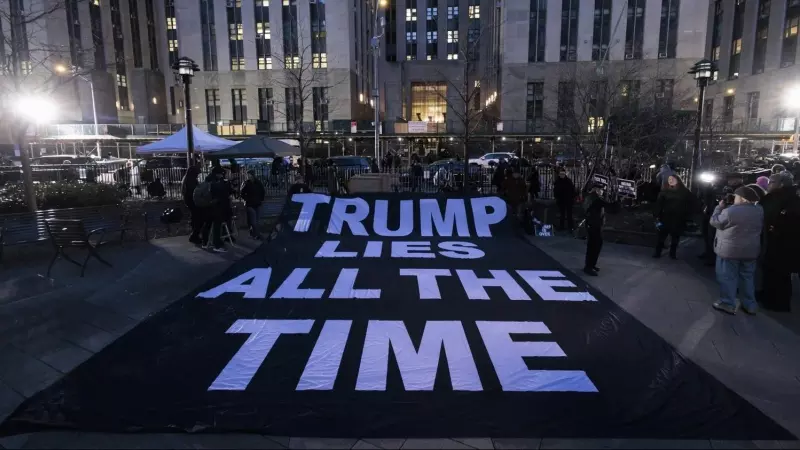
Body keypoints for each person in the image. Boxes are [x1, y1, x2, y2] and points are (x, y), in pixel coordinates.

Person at [709, 184, 764, 315]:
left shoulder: (730, 211)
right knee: (747, 278)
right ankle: (750, 304)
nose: (734, 199)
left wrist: (718, 208)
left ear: (743, 198)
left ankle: (728, 303)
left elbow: (715, 222)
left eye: (736, 197)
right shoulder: (759, 210)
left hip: (730, 251)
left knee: (727, 277)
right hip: (750, 251)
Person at [758, 171, 800, 312]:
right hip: (786, 241)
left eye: (772, 182)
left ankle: (776, 302)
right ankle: (772, 297)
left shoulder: (778, 197)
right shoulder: (792, 196)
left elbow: (765, 214)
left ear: (781, 184)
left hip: (779, 240)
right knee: (779, 272)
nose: (769, 184)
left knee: (776, 271)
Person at [653, 175, 692, 259]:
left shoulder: (684, 192)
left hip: (678, 217)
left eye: (672, 179)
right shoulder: (664, 191)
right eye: (669, 179)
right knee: (661, 236)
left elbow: (689, 204)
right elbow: (659, 204)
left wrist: (686, 215)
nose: (670, 180)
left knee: (675, 237)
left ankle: (672, 253)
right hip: (665, 217)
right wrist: (657, 215)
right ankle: (657, 252)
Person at [582, 183, 610, 276]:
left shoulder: (590, 197)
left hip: (593, 224)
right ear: (596, 190)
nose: (602, 191)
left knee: (594, 245)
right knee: (594, 246)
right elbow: (610, 207)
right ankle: (589, 266)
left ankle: (590, 265)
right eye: (601, 189)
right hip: (594, 225)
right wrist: (619, 200)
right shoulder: (596, 199)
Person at [203, 167, 230, 253]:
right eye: (221, 174)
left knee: (208, 225)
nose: (222, 175)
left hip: (208, 206)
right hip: (215, 207)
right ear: (217, 174)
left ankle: (205, 242)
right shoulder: (215, 182)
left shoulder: (207, 180)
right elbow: (222, 193)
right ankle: (216, 245)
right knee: (217, 226)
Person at [241, 170, 266, 239]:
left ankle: (254, 234)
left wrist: (261, 199)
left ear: (252, 175)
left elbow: (262, 191)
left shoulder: (258, 183)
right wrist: (246, 199)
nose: (248, 176)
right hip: (250, 204)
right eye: (247, 175)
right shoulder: (246, 183)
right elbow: (242, 193)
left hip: (257, 203)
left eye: (249, 175)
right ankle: (257, 234)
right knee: (254, 221)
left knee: (256, 221)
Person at [181, 166, 202, 245]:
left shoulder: (187, 178)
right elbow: (194, 191)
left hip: (189, 200)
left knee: (195, 217)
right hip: (192, 201)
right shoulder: (191, 180)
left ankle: (195, 235)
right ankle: (194, 236)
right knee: (197, 218)